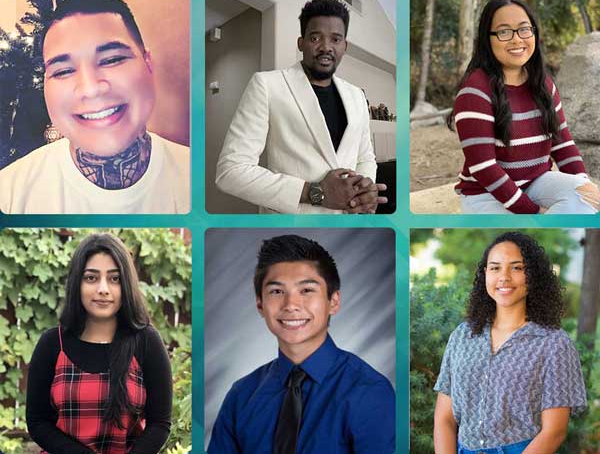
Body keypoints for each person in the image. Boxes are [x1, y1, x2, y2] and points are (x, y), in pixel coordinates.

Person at [0, 0, 189, 214]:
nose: (90, 89)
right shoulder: (9, 194)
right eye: (63, 71)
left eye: (112, 59)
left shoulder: (195, 177)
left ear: (148, 63)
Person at [208, 235, 395, 453]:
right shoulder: (242, 395)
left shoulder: (369, 392)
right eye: (277, 292)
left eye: (306, 290)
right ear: (260, 304)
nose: (291, 305)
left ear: (333, 301)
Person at [215, 0, 387, 214]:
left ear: (345, 45)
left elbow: (365, 158)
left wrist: (363, 192)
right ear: (301, 42)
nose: (326, 47)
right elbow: (230, 171)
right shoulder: (268, 85)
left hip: (348, 222)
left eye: (335, 39)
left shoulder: (356, 96)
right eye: (315, 38)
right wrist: (316, 193)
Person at [434, 232, 587, 454]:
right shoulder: (462, 336)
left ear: (532, 275)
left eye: (516, 268)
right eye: (495, 268)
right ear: (485, 273)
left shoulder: (554, 343)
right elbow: (444, 419)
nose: (504, 277)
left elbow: (554, 431)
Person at [450, 0, 599, 214]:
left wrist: (582, 186)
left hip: (537, 181)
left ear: (534, 33)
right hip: (486, 194)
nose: (517, 39)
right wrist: (532, 211)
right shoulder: (475, 91)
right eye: (503, 32)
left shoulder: (543, 84)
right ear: (487, 38)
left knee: (589, 199)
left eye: (524, 29)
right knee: (525, 227)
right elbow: (484, 167)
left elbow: (563, 144)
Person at [26, 233, 173, 454]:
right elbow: (37, 422)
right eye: (91, 278)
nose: (103, 289)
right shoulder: (52, 344)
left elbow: (160, 424)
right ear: (77, 283)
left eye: (114, 279)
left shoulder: (146, 341)